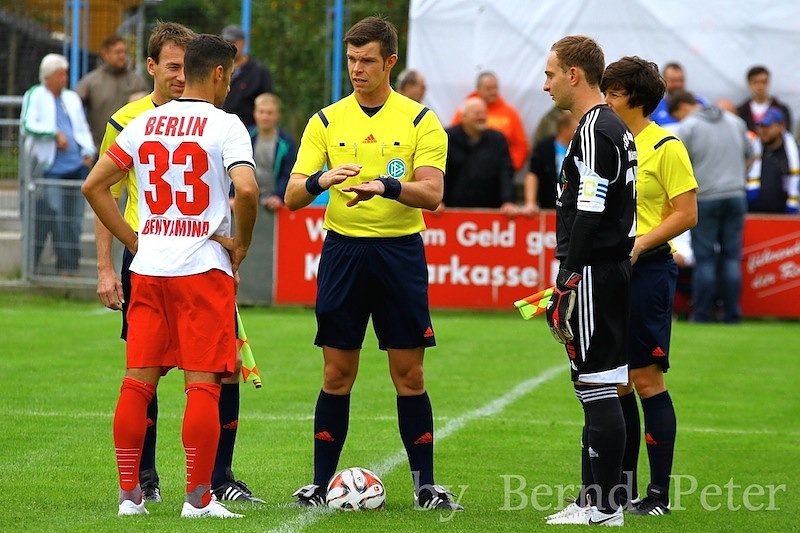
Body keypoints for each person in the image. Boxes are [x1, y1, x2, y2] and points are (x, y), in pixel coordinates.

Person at [283, 15, 463, 511]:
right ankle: (319, 484)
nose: (357, 69)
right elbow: (293, 193)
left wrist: (385, 185)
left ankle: (425, 487)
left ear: (390, 61)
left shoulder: (421, 121)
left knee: (409, 374)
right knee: (336, 372)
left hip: (399, 253)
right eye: (351, 60)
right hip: (343, 251)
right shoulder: (325, 120)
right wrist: (323, 179)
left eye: (367, 60)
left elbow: (433, 193)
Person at [82, 33, 259, 519]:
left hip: (149, 270)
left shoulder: (145, 121)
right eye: (231, 77)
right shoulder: (226, 125)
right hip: (201, 269)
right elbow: (245, 189)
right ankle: (198, 497)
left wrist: (136, 240)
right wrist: (240, 245)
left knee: (136, 383)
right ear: (220, 74)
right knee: (202, 385)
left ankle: (129, 496)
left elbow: (95, 186)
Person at [540, 35, 636, 527]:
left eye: (551, 74)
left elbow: (591, 206)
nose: (545, 84)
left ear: (574, 75)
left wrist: (567, 275)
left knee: (597, 383)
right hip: (607, 268)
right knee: (596, 383)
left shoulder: (596, 129)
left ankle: (604, 506)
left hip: (598, 269)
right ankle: (594, 499)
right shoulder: (606, 126)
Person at [602, 56, 698, 517]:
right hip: (610, 272)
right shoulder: (609, 142)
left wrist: (639, 244)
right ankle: (620, 492)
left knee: (644, 378)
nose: (606, 100)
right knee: (615, 382)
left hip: (649, 270)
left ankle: (657, 496)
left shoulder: (667, 146)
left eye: (613, 93)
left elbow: (686, 212)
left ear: (635, 99)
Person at [669, 91, 753, 323]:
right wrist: (738, 176)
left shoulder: (688, 127)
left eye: (677, 114)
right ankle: (732, 314)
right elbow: (751, 154)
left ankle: (703, 314)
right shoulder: (735, 121)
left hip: (705, 197)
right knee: (731, 257)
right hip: (736, 195)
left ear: (683, 107)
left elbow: (677, 163)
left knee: (705, 258)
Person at [20, 53, 96, 275]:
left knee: (75, 219)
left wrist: (88, 150)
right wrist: (53, 134)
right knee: (56, 214)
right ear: (48, 76)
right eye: (60, 74)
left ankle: (70, 265)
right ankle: (60, 263)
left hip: (77, 166)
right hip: (51, 169)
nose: (65, 78)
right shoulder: (35, 94)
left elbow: (82, 128)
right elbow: (27, 125)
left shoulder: (72, 98)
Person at [232, 92, 297, 304]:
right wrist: (233, 196)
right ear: (255, 114)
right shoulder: (245, 137)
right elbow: (233, 168)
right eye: (261, 112)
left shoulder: (286, 143)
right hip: (245, 197)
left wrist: (280, 196)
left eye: (269, 113)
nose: (265, 117)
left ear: (277, 115)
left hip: (271, 199)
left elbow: (290, 172)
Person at [439, 96, 515, 215]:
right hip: (452, 211)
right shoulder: (446, 138)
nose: (482, 116)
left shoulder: (498, 140)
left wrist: (508, 200)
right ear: (463, 117)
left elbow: (505, 172)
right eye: (477, 113)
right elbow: (439, 171)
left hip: (491, 212)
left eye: (484, 113)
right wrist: (438, 200)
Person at [75, 34, 150, 148]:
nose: (122, 56)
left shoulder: (137, 81)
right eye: (118, 52)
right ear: (105, 54)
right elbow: (73, 106)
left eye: (124, 52)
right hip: (99, 148)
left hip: (130, 148)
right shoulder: (92, 81)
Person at [451, 71, 529, 171]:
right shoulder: (465, 110)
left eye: (495, 88)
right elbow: (454, 141)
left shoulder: (510, 113)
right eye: (488, 88)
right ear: (478, 89)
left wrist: (509, 167)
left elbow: (520, 145)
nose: (493, 92)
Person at [522, 110, 577, 214]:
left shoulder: (581, 148)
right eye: (575, 128)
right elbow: (533, 174)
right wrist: (530, 202)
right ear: (564, 129)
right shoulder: (545, 146)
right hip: (548, 207)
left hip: (574, 209)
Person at [747, 107, 800, 214]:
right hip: (753, 214)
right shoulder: (751, 151)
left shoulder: (793, 154)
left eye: (767, 126)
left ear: (781, 126)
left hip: (784, 215)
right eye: (760, 126)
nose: (762, 130)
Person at [221, 24, 274, 129]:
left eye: (232, 42)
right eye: (225, 42)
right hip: (220, 128)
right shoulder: (216, 69)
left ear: (243, 43)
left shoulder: (259, 72)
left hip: (249, 131)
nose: (228, 46)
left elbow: (268, 103)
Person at [736, 65, 793, 135]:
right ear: (749, 84)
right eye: (755, 82)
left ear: (768, 83)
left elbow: (786, 134)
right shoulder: (741, 111)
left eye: (763, 82)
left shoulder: (781, 109)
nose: (760, 86)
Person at [651, 62, 707, 128]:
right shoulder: (655, 107)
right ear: (663, 81)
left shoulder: (700, 102)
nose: (678, 84)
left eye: (680, 80)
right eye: (673, 81)